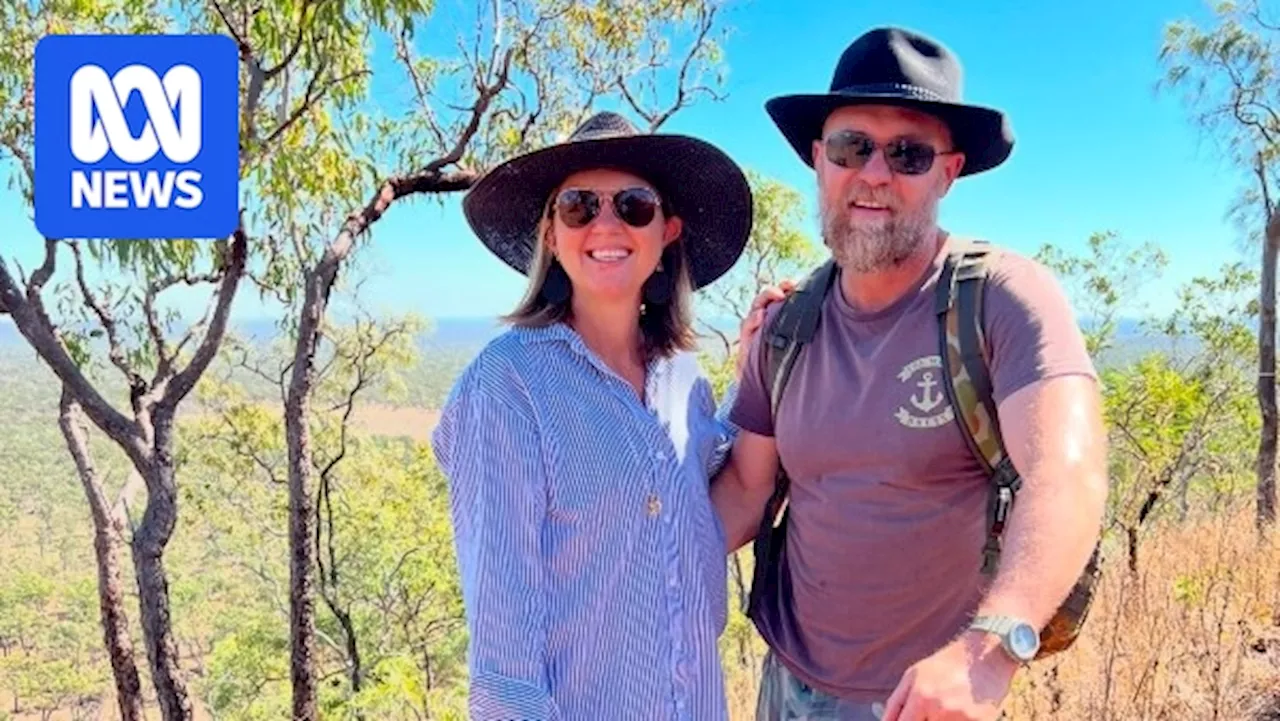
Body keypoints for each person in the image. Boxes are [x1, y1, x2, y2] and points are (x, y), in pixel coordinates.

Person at [710, 27, 1110, 721]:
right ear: (817, 159)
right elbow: (745, 486)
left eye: (908, 153)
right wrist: (626, 562)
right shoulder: (786, 327)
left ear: (947, 173)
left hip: (927, 700)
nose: (874, 173)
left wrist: (988, 653)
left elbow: (1067, 473)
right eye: (851, 146)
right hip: (786, 687)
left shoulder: (1001, 298)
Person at [431, 110, 754, 721]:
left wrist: (768, 361)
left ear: (668, 233)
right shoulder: (507, 387)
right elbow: (503, 660)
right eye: (579, 206)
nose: (606, 222)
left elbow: (710, 508)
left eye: (634, 205)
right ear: (552, 233)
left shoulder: (686, 383)